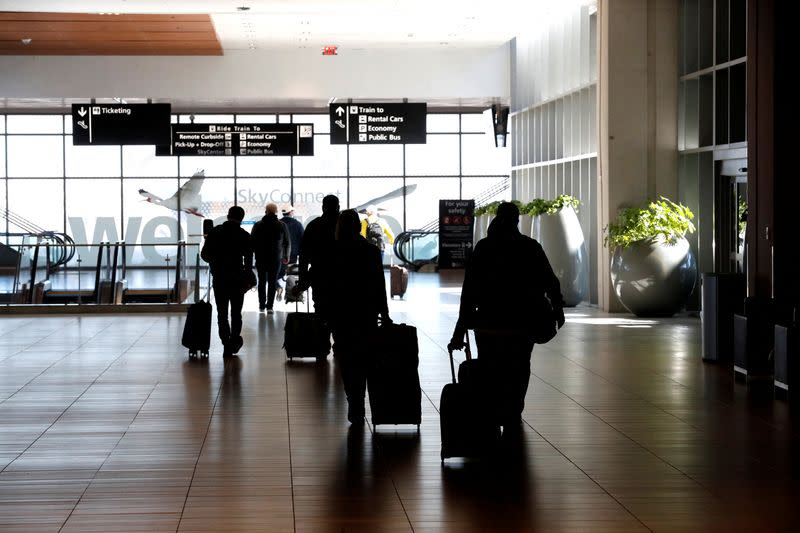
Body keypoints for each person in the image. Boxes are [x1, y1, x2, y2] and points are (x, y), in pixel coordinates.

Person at [448, 201, 565, 429]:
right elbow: (550, 281)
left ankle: (493, 409)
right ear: (517, 221)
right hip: (523, 324)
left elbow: (469, 293)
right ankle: (513, 410)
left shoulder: (483, 248)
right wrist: (557, 309)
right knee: (519, 367)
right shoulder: (530, 247)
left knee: (491, 367)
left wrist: (459, 332)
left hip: (488, 325)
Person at [331, 209, 391, 424]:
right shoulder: (371, 251)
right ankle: (361, 396)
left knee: (346, 357)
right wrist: (384, 313)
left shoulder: (334, 251)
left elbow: (329, 285)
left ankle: (353, 400)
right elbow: (379, 286)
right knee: (365, 355)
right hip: (366, 312)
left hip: (341, 313)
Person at [201, 205, 253, 358]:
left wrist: (216, 261)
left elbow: (204, 255)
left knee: (222, 313)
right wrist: (247, 279)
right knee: (236, 312)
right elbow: (249, 260)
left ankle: (226, 343)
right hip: (237, 279)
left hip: (220, 277)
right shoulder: (244, 235)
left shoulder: (215, 232)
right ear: (242, 219)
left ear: (228, 215)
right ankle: (235, 339)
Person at [296, 194, 340, 322]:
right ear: (338, 207)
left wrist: (303, 281)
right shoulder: (345, 226)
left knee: (321, 315)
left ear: (323, 207)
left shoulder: (314, 226)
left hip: (319, 277)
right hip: (342, 277)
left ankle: (323, 339)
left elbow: (304, 255)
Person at [251, 202, 290, 314]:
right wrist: (286, 256)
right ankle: (270, 307)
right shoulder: (281, 225)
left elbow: (252, 242)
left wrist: (255, 253)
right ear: (276, 211)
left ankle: (261, 305)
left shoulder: (258, 225)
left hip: (261, 258)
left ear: (266, 211)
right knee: (272, 282)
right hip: (276, 258)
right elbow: (287, 242)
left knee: (262, 281)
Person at [278, 205, 305, 299]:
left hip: (279, 254)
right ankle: (291, 294)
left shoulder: (278, 223)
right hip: (293, 254)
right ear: (291, 212)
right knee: (290, 274)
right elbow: (303, 239)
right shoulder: (297, 224)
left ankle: (279, 287)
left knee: (279, 273)